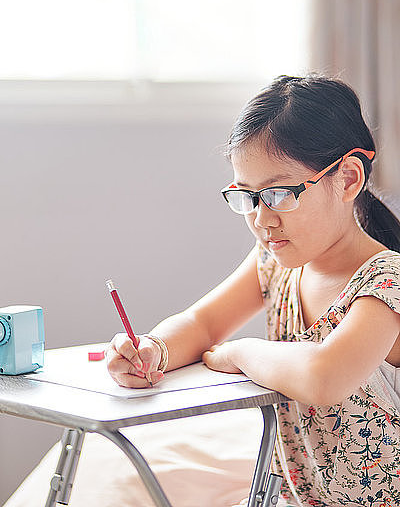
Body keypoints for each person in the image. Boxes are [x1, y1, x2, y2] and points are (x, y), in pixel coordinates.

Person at [107, 74, 400, 506]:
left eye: (280, 194)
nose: (262, 220)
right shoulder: (275, 262)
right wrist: (154, 349)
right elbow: (202, 322)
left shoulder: (387, 281)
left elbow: (324, 377)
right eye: (246, 196)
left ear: (348, 179)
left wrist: (238, 353)